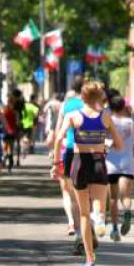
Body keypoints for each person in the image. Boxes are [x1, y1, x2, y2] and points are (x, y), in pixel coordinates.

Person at [53, 79, 123, 266]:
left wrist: (56, 164)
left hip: (78, 164)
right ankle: (99, 218)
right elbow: (119, 144)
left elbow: (58, 139)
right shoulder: (105, 116)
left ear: (82, 97)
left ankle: (90, 260)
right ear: (99, 97)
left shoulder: (73, 116)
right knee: (99, 203)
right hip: (98, 162)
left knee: (83, 214)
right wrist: (106, 145)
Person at [49, 77, 85, 242]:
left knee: (67, 191)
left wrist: (55, 156)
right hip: (89, 151)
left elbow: (58, 132)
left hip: (68, 149)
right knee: (85, 192)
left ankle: (72, 223)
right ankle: (88, 224)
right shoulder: (91, 105)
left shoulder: (66, 105)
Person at [105, 95, 134, 241]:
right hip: (127, 163)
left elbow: (102, 139)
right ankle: (127, 211)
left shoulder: (107, 121)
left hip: (111, 163)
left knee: (113, 197)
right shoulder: (131, 122)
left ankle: (114, 229)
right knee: (126, 196)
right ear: (123, 107)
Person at [2, 96, 20, 172]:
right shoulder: (15, 112)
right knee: (11, 147)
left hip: (5, 131)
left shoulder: (4, 110)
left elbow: (1, 121)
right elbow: (17, 122)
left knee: (5, 147)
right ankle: (10, 159)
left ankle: (5, 157)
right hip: (13, 131)